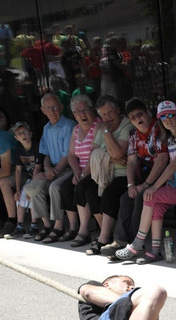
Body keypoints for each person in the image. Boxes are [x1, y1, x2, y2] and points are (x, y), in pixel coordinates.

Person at [116, 100, 176, 265]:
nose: (168, 120)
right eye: (163, 117)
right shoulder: (169, 137)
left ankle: (137, 243)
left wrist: (154, 186)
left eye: (171, 115)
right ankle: (155, 251)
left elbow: (174, 164)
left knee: (151, 196)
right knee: (156, 204)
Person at [100, 97, 168, 256]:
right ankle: (120, 241)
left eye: (140, 115)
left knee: (141, 198)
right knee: (126, 197)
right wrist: (131, 185)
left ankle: (132, 245)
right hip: (144, 178)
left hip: (162, 177)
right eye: (133, 117)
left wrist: (145, 184)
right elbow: (131, 162)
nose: (138, 119)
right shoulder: (134, 135)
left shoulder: (158, 129)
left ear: (148, 114)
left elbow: (163, 159)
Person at [68, 94, 130, 252]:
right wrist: (111, 158)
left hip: (123, 174)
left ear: (117, 110)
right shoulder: (102, 127)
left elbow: (118, 153)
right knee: (84, 188)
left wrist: (107, 133)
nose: (106, 117)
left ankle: (103, 238)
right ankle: (105, 232)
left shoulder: (126, 125)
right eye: (103, 114)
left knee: (108, 193)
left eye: (109, 113)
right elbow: (94, 151)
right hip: (104, 172)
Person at [28, 92, 75, 242]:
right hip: (53, 169)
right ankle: (47, 225)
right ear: (43, 110)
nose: (53, 111)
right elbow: (45, 153)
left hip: (68, 169)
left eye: (55, 107)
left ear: (61, 107)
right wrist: (47, 169)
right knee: (34, 187)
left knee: (54, 186)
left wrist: (54, 172)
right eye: (49, 108)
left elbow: (67, 155)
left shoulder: (69, 125)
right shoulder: (46, 128)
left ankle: (59, 226)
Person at [57, 94, 101, 243]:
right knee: (64, 187)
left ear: (92, 110)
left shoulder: (97, 126)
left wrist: (82, 175)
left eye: (85, 110)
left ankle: (84, 230)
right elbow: (70, 154)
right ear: (74, 115)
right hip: (80, 170)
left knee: (81, 188)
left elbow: (94, 153)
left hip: (96, 169)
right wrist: (76, 172)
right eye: (78, 111)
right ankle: (73, 226)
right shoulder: (76, 130)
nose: (82, 114)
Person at [3, 121, 42, 239]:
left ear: (30, 133)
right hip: (29, 179)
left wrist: (32, 187)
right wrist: (18, 189)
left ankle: (34, 226)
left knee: (31, 194)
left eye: (25, 132)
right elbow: (18, 171)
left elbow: (38, 169)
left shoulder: (37, 147)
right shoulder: (19, 150)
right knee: (21, 196)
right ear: (16, 137)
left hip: (39, 177)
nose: (23, 135)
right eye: (19, 133)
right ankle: (20, 226)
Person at [0, 106, 17, 237]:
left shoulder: (3, 138)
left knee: (3, 181)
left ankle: (12, 221)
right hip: (9, 169)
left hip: (22, 170)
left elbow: (6, 170)